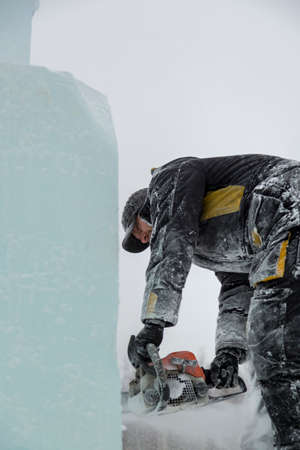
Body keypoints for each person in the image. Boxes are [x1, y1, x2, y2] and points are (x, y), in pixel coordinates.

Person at [122, 154, 300, 450]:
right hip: (278, 235)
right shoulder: (214, 242)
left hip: (287, 204)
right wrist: (228, 353)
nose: (142, 240)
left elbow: (171, 242)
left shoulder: (169, 179)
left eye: (138, 229)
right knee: (280, 341)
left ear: (147, 207)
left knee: (272, 339)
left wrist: (154, 322)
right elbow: (235, 288)